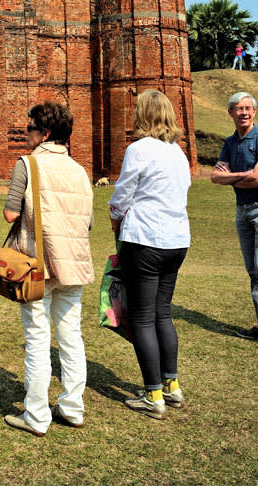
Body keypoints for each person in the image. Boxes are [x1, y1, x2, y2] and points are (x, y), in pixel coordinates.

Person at [2, 102, 94, 436]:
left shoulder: (28, 164)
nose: (26, 133)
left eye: (30, 128)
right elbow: (88, 222)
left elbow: (10, 214)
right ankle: (72, 408)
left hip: (37, 265)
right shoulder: (80, 170)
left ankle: (37, 416)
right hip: (73, 264)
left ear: (45, 133)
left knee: (38, 340)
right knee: (71, 337)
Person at [109, 89, 191, 420]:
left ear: (142, 115)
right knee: (162, 313)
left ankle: (153, 395)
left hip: (145, 239)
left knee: (142, 317)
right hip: (176, 239)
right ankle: (171, 386)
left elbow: (123, 193)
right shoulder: (177, 152)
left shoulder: (139, 149)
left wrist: (115, 218)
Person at [211, 91, 258, 340]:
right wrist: (243, 176)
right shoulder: (230, 143)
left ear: (254, 112)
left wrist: (230, 178)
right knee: (253, 270)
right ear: (230, 112)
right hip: (242, 211)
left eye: (248, 108)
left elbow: (257, 179)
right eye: (239, 109)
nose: (244, 113)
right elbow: (215, 177)